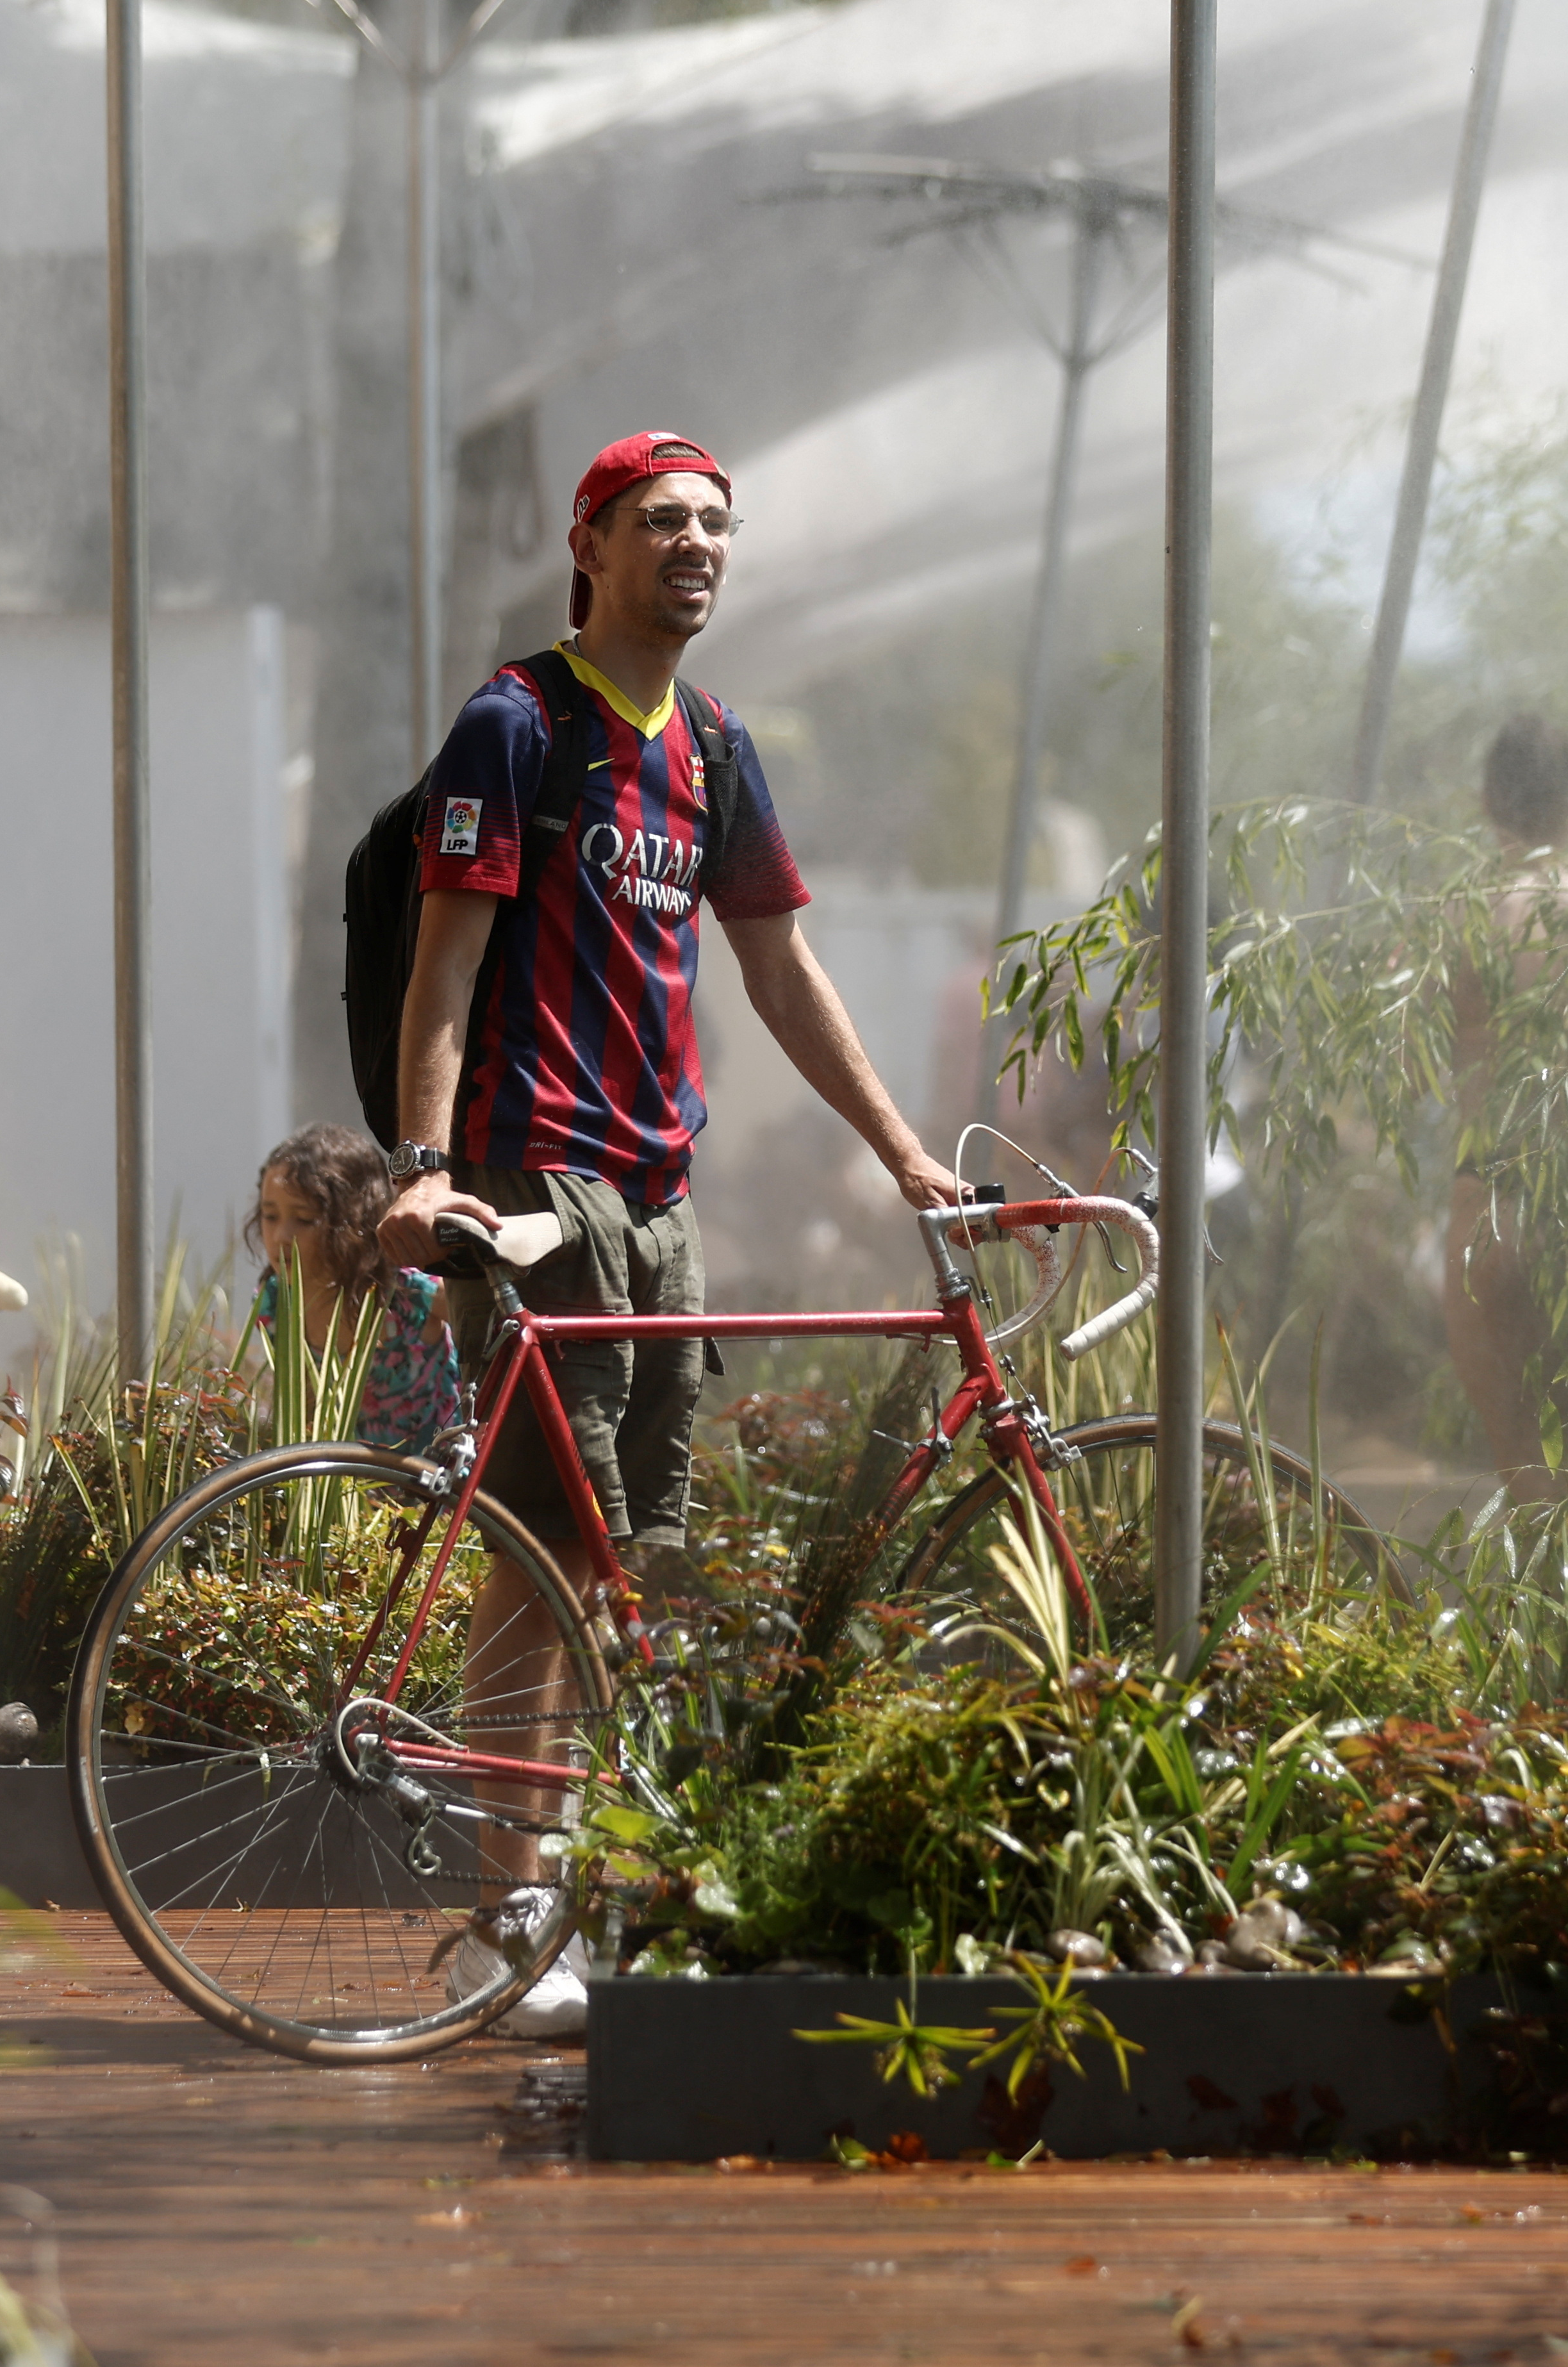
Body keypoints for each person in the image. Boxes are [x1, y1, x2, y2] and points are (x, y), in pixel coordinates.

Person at [377, 431, 961, 2033]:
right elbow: (443, 966)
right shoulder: (519, 723)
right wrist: (425, 1165)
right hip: (535, 1178)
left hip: (658, 1200)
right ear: (591, 544)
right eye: (659, 522)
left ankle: (552, 1883)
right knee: (537, 1553)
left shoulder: (712, 745)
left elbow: (777, 971)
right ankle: (510, 1909)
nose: (694, 544)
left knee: (621, 1552)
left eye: (715, 522)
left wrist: (903, 1149)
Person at [1442, 713, 1568, 1501]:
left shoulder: (1466, 915)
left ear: (1485, 801)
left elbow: (1409, 1059)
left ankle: (1544, 1614)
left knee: (1522, 1460)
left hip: (1491, 1191)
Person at [246, 1121, 460, 1454]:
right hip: (351, 1494)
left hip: (439, 1487)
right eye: (270, 1216)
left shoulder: (411, 1297)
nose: (281, 1237)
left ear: (352, 1221)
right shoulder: (277, 1305)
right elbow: (305, 1417)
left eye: (304, 1219)